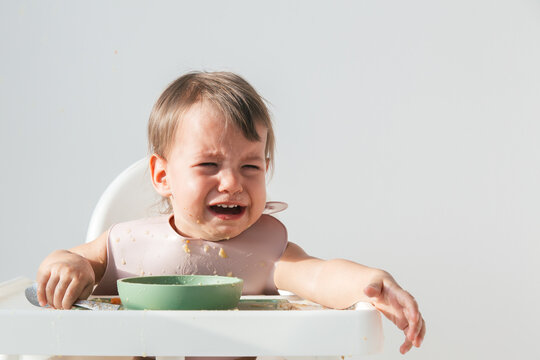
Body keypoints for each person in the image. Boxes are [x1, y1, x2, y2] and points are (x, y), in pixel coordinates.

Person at [37, 71, 426, 354]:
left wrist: (373, 283)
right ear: (162, 175)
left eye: (251, 167)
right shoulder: (126, 244)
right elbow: (73, 259)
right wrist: (69, 266)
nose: (232, 183)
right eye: (209, 165)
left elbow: (320, 273)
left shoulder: (265, 252)